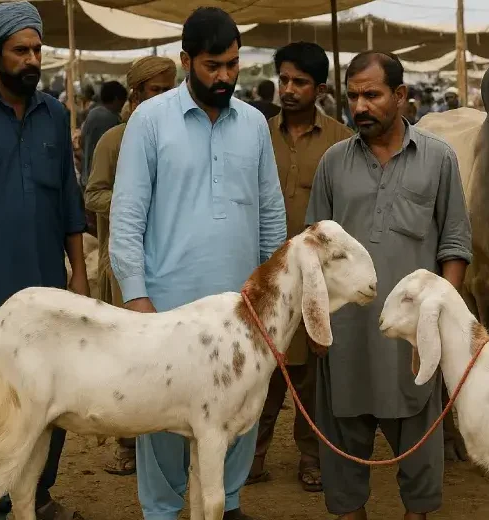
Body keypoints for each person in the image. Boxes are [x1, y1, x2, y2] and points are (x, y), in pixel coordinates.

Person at [110, 7, 286, 520]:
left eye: (232, 64)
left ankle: (226, 505)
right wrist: (137, 300)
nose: (226, 76)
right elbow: (126, 220)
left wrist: (270, 296)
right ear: (186, 60)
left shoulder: (254, 124)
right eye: (213, 66)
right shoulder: (149, 120)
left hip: (242, 309)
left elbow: (271, 214)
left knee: (237, 414)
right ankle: (163, 511)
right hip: (167, 308)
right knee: (163, 422)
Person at [305, 51, 472, 520]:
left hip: (411, 334)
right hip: (345, 335)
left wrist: (438, 321)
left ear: (400, 96)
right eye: (353, 95)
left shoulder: (438, 159)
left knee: (420, 439)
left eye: (372, 94)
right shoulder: (333, 163)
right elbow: (311, 251)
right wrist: (317, 324)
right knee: (340, 440)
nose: (359, 105)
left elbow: (455, 243)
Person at [0, 3, 89, 519]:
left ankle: (37, 495)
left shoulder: (55, 115)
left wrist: (81, 278)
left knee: (52, 399)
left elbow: (70, 203)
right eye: (20, 50)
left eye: (37, 50)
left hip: (49, 292)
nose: (32, 59)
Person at [246, 40, 353, 493]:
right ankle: (250, 458)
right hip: (262, 275)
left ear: (321, 89)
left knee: (310, 374)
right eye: (284, 80)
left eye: (300, 82)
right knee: (261, 371)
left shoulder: (342, 142)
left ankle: (311, 457)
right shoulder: (253, 133)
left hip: (317, 280)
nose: (288, 90)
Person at [84, 55, 177, 478]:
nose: (164, 98)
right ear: (136, 94)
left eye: (169, 90)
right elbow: (93, 195)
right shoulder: (114, 140)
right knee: (127, 354)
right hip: (123, 263)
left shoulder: (178, 136)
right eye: (155, 91)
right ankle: (126, 442)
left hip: (171, 261)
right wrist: (135, 203)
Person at [80, 80, 127, 190]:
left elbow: (82, 142)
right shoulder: (111, 120)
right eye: (122, 102)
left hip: (86, 178)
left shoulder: (92, 114)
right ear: (116, 99)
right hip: (102, 183)